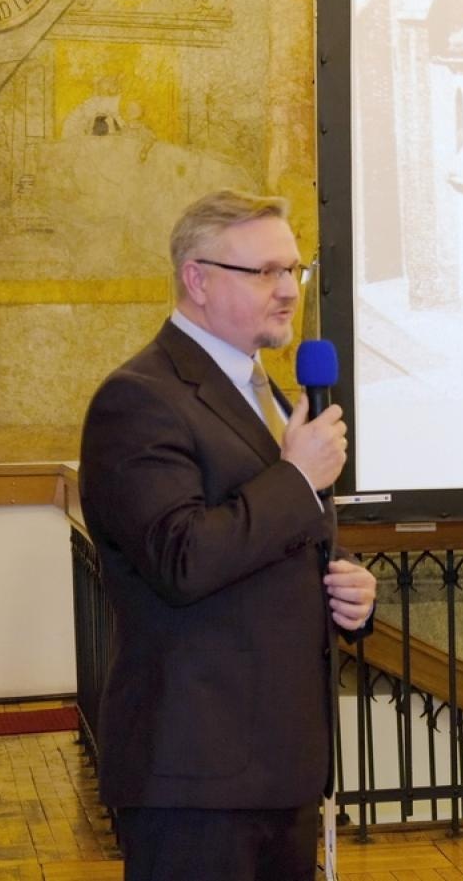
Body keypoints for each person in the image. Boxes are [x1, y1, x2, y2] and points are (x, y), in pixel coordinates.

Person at [79, 189, 377, 881]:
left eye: (294, 272)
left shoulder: (269, 394)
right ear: (198, 279)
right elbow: (180, 557)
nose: (286, 292)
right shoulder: (141, 397)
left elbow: (275, 543)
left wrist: (346, 590)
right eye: (265, 272)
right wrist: (297, 478)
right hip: (196, 775)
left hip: (283, 766)